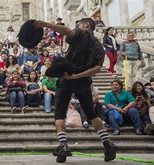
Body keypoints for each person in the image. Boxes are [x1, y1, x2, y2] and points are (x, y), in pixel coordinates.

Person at [34, 18, 116, 162]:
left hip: (66, 79)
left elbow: (67, 31)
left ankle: (64, 145)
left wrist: (46, 25)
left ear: (85, 25)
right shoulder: (99, 46)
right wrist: (78, 76)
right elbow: (97, 68)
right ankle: (107, 144)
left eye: (78, 24)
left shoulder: (81, 33)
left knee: (59, 113)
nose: (76, 26)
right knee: (91, 113)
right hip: (84, 81)